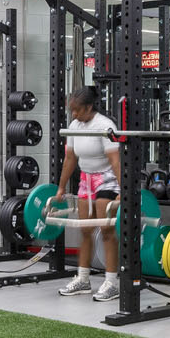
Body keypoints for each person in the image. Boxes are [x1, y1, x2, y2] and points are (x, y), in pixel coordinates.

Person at [53, 86, 121, 302]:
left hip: (107, 179)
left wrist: (124, 191)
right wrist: (61, 187)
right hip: (86, 180)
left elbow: (115, 161)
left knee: (107, 231)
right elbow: (70, 159)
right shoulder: (74, 126)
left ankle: (112, 282)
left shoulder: (104, 125)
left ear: (89, 107)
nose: (73, 114)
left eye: (77, 110)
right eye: (71, 110)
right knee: (85, 230)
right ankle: (83, 279)